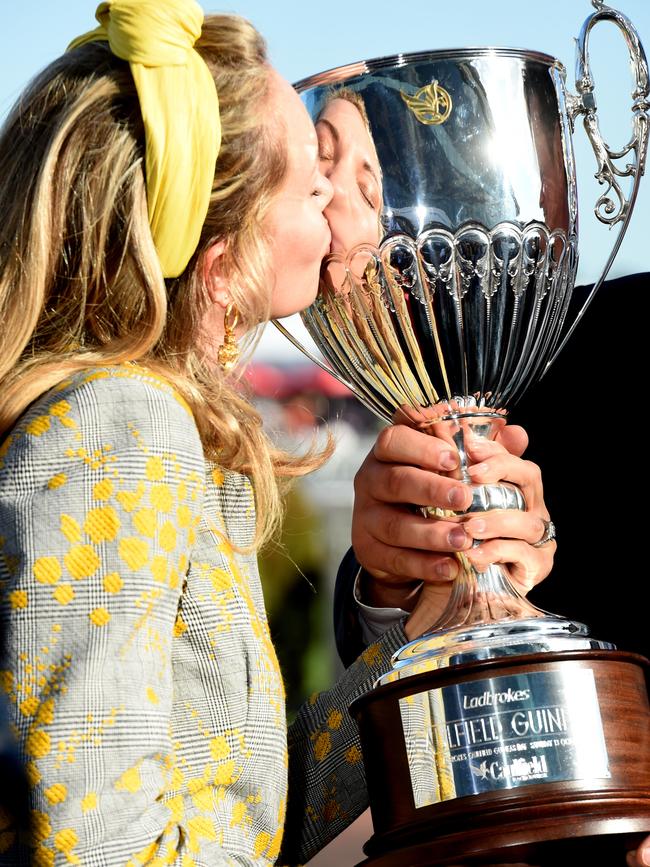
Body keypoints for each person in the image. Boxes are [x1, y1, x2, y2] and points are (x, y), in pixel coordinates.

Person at [0, 2, 554, 864]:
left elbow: (252, 808)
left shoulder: (160, 423)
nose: (342, 202)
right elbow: (94, 845)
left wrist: (424, 634)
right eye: (311, 180)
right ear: (225, 262)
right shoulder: (117, 426)